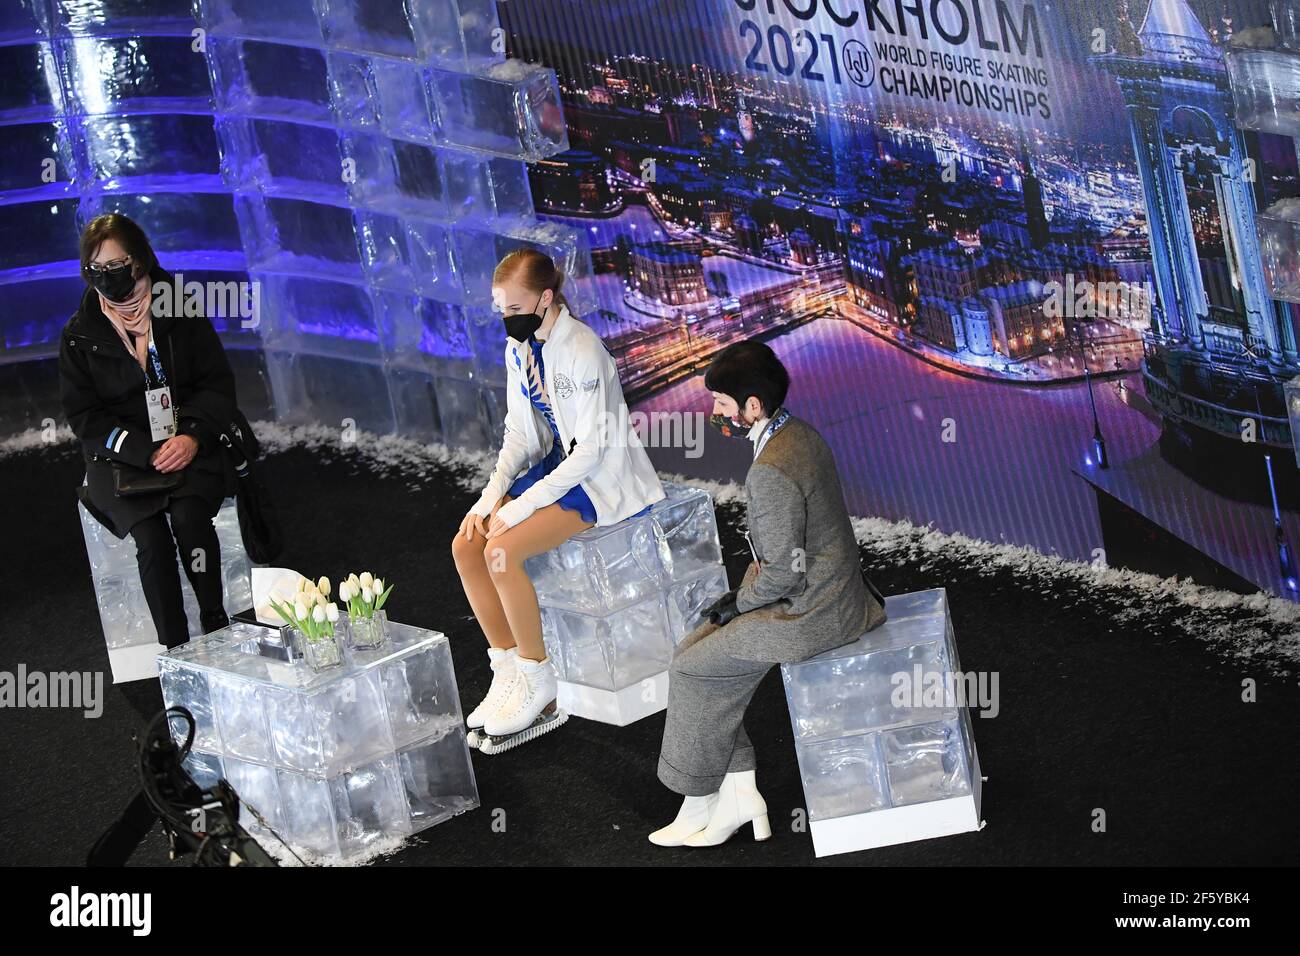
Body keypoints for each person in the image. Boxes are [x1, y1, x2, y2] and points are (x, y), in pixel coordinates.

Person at [649, 340, 888, 847]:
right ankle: (734, 799)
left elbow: (781, 574)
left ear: (751, 406)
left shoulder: (771, 470)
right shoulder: (798, 434)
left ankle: (706, 800)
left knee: (691, 667)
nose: (713, 411)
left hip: (812, 612)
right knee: (697, 656)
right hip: (828, 592)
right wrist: (741, 602)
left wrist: (737, 603)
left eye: (720, 402)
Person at [452, 249, 665, 753]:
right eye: (499, 307)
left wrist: (520, 508)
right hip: (557, 467)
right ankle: (507, 672)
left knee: (501, 553)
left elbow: (591, 451)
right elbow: (520, 436)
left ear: (546, 298)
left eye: (513, 307)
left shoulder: (582, 348)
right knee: (467, 544)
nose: (506, 317)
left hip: (598, 477)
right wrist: (490, 498)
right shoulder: (519, 349)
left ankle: (539, 682)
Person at [60, 214, 239, 650]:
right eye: (97, 269)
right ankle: (175, 647)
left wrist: (192, 436)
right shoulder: (79, 335)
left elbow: (216, 384)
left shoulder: (181, 307)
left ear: (139, 261)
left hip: (184, 442)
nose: (108, 277)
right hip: (123, 458)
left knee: (190, 517)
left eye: (116, 265)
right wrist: (143, 452)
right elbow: (85, 418)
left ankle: (215, 620)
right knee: (152, 539)